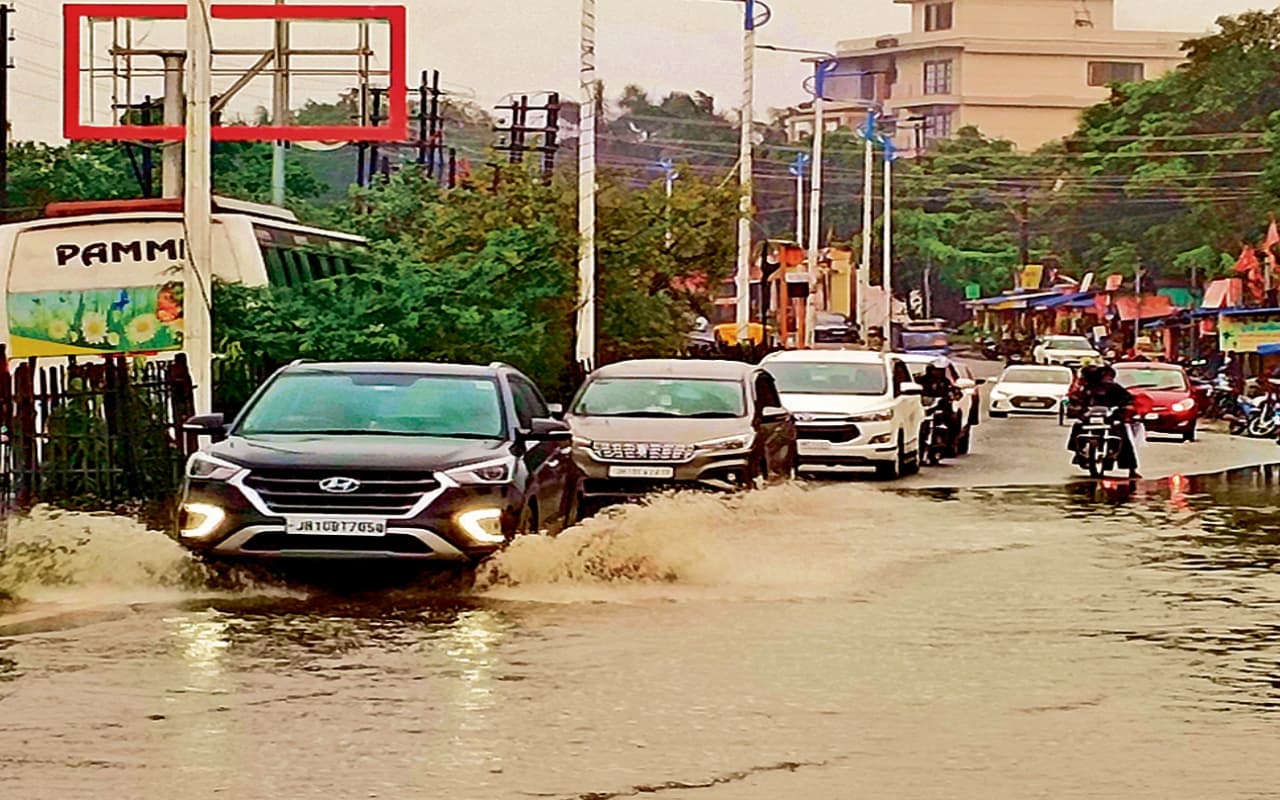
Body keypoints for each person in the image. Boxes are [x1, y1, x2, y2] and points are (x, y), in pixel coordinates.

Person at [1067, 365, 1140, 478]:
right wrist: (1076, 407)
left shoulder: (1113, 387)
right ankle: (1079, 451)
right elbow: (1077, 400)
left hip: (1110, 417)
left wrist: (1125, 408)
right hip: (1090, 417)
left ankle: (1131, 468)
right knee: (1078, 426)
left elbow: (1128, 399)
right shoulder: (1086, 388)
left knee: (1123, 437)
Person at [919, 357, 963, 450]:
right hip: (925, 408)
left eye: (940, 371)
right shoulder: (922, 380)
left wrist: (955, 394)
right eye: (935, 370)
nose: (937, 372)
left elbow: (954, 391)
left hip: (943, 408)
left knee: (954, 420)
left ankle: (952, 443)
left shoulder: (945, 382)